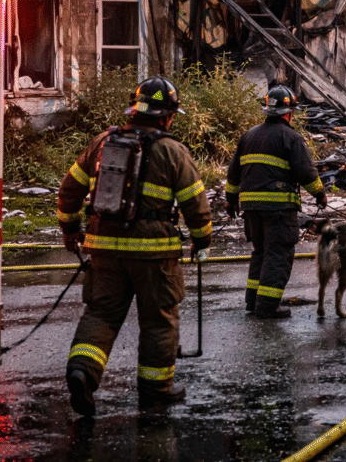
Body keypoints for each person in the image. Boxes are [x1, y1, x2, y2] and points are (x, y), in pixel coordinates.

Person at [57, 75, 213, 416]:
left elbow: (70, 189)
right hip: (154, 254)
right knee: (158, 320)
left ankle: (82, 371)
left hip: (103, 247)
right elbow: (195, 204)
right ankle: (157, 390)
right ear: (167, 116)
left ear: (134, 110)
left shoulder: (103, 142)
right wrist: (202, 241)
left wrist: (70, 229)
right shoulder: (173, 151)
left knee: (101, 313)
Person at [225, 85, 327, 319]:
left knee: (260, 252)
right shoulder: (291, 137)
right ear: (288, 113)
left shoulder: (249, 135)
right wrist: (320, 195)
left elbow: (233, 173)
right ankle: (269, 306)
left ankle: (253, 301)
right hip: (278, 208)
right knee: (278, 254)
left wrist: (230, 201)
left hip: (250, 208)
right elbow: (306, 172)